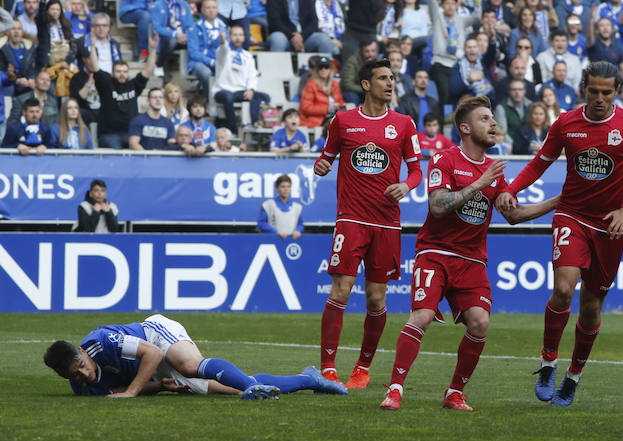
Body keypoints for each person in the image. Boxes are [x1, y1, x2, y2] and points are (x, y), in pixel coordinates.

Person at [379, 96, 558, 412]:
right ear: (465, 128)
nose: (493, 123)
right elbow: (437, 206)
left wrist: (559, 200)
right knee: (421, 316)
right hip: (435, 253)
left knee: (480, 323)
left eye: (492, 118)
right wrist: (479, 183)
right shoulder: (444, 159)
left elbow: (514, 215)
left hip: (472, 260)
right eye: (484, 118)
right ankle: (394, 390)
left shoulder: (494, 171)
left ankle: (454, 393)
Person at [502, 61, 623, 406]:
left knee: (590, 307)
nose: (599, 98)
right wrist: (512, 189)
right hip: (571, 216)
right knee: (562, 289)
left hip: (610, 227)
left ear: (617, 91)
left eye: (606, 92)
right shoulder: (565, 123)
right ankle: (547, 363)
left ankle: (573, 376)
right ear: (583, 89)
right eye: (593, 91)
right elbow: (539, 163)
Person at [313, 58, 423, 389]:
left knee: (376, 298)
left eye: (392, 78)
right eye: (383, 78)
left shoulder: (404, 123)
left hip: (387, 222)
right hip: (351, 219)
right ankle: (328, 368)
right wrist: (320, 166)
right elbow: (325, 158)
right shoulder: (343, 121)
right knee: (341, 289)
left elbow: (417, 170)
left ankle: (362, 368)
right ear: (366, 84)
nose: (389, 83)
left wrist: (406, 185)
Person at [44, 314, 348, 398]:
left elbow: (151, 353)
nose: (83, 374)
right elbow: (118, 390)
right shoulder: (83, 387)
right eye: (75, 374)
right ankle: (309, 379)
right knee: (230, 388)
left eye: (81, 366)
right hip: (149, 368)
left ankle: (251, 387)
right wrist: (158, 387)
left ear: (82, 352)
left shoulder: (102, 341)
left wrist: (133, 391)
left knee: (189, 365)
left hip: (154, 335)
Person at [91, 35, 157, 149]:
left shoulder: (134, 85)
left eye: (125, 72)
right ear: (112, 73)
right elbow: (95, 67)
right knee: (118, 156)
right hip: (109, 135)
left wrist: (153, 50)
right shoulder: (106, 84)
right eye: (118, 71)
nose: (122, 74)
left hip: (132, 134)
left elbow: (148, 70)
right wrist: (92, 46)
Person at [212, 25, 270, 132]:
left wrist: (251, 89)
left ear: (244, 37)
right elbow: (223, 49)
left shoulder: (247, 56)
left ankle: (253, 123)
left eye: (240, 35)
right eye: (234, 35)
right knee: (228, 97)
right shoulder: (223, 52)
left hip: (240, 92)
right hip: (223, 90)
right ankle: (232, 130)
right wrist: (223, 41)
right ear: (230, 37)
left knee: (264, 97)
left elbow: (252, 75)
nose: (237, 38)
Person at [266, 0, 334, 54]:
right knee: (278, 39)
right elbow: (274, 22)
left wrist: (301, 36)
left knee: (324, 39)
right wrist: (292, 36)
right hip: (284, 36)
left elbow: (314, 21)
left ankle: (325, 63)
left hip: (304, 37)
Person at [151, 0, 194, 75]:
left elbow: (190, 25)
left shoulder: (184, 4)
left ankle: (192, 70)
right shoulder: (157, 5)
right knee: (171, 40)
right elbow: (156, 28)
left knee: (196, 39)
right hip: (166, 38)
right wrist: (175, 34)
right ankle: (159, 65)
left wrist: (186, 35)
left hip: (183, 37)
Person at [258, 174, 303, 239]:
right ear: (277, 188)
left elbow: (300, 224)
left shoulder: (297, 207)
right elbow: (261, 223)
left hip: (291, 241)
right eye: (283, 186)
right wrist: (275, 232)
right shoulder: (268, 205)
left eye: (288, 187)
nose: (286, 189)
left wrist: (297, 231)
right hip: (273, 240)